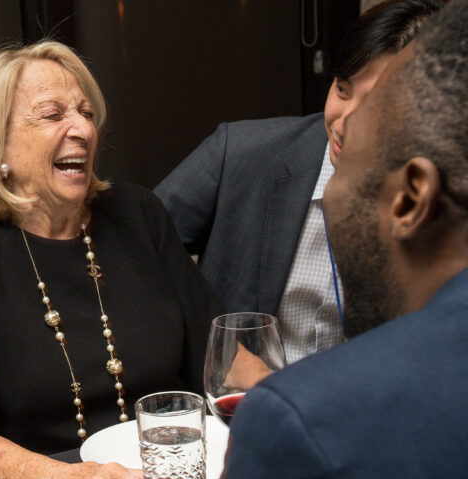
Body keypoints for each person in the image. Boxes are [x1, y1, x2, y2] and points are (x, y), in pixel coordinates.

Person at [141, 1, 468, 479]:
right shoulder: (246, 151)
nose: (337, 137)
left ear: (410, 196)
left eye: (355, 167)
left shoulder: (309, 426)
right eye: (339, 91)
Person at [0, 41, 221, 479]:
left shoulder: (137, 213)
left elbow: (222, 358)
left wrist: (289, 419)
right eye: (51, 114)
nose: (81, 129)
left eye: (86, 112)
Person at [155, 0, 445, 363]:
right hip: (237, 408)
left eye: (374, 105)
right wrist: (218, 354)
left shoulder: (440, 206)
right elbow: (136, 247)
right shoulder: (241, 154)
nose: (341, 123)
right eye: (342, 89)